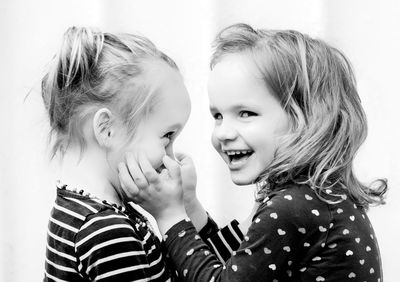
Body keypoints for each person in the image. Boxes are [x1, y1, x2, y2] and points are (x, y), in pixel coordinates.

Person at [117, 23, 387, 281]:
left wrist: (170, 217)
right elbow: (234, 263)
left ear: (308, 118)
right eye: (218, 116)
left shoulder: (295, 207)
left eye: (245, 113)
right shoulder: (312, 197)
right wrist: (189, 206)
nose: (223, 132)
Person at [42, 26, 194, 281]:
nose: (171, 158)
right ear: (107, 129)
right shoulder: (108, 232)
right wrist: (170, 216)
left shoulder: (75, 209)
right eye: (167, 136)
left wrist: (187, 204)